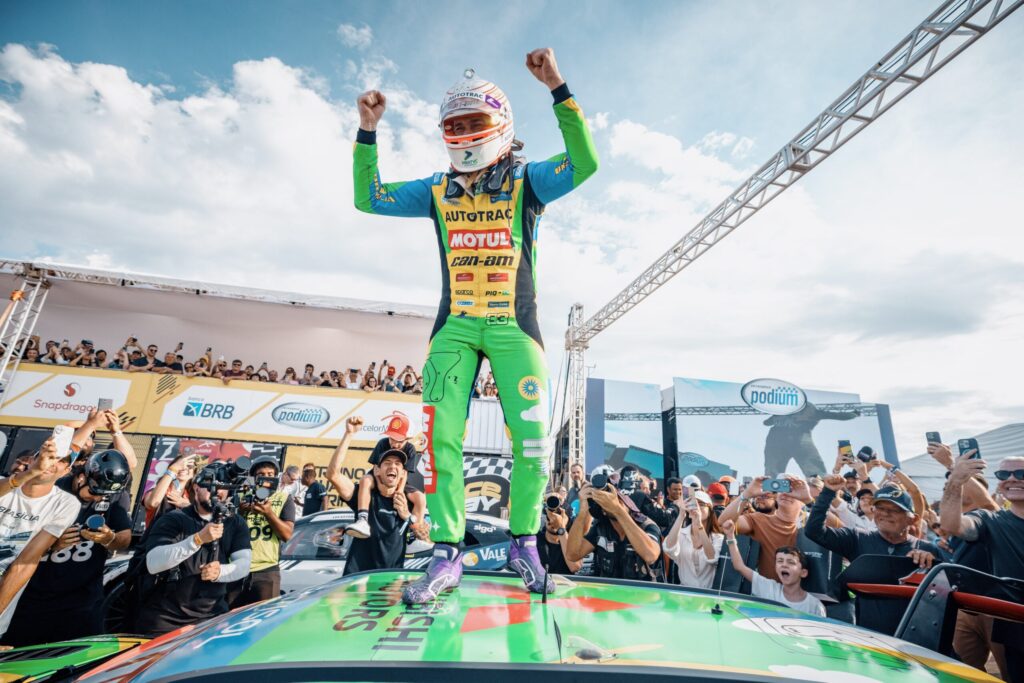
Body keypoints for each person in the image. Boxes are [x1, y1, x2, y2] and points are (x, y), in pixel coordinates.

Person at [354, 47, 598, 605]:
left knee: (534, 443)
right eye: (454, 125)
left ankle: (525, 545)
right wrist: (368, 132)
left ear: (501, 127)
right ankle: (446, 554)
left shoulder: (528, 182)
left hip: (516, 329)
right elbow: (367, 198)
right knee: (440, 442)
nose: (464, 134)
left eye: (474, 124)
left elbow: (584, 163)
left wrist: (558, 87)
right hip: (456, 329)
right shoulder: (437, 189)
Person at [4, 450, 132, 646]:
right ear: (81, 477)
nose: (99, 499)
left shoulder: (114, 496)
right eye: (93, 492)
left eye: (105, 496)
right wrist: (51, 545)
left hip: (82, 601)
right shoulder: (55, 491)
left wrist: (109, 537)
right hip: (33, 598)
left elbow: (125, 539)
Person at [806, 475, 941, 634]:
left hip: (916, 640)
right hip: (872, 640)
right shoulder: (858, 538)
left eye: (894, 510)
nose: (885, 514)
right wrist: (828, 492)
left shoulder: (927, 550)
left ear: (913, 519)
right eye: (880, 508)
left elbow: (950, 589)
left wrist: (934, 565)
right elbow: (814, 531)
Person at [135, 466, 251, 636]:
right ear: (196, 488)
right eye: (211, 486)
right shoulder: (174, 518)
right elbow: (153, 563)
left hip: (212, 615)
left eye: (224, 487)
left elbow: (244, 563)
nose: (218, 492)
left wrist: (221, 571)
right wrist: (197, 539)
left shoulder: (235, 522)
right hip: (166, 617)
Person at [940, 451, 1024, 680]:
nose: (1012, 478)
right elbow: (950, 524)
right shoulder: (991, 520)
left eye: (1021, 473)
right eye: (1004, 473)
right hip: (1013, 623)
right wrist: (955, 481)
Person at [0, 438, 80, 639]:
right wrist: (31, 473)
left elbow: (25, 562)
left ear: (66, 471)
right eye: (47, 457)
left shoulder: (66, 503)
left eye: (61, 460)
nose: (52, 462)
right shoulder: (6, 485)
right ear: (33, 460)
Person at [564, 475, 662, 581]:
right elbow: (572, 555)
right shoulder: (601, 529)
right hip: (608, 595)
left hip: (641, 594)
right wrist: (583, 512)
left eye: (619, 500)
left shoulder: (645, 524)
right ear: (603, 511)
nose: (614, 503)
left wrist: (617, 509)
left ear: (628, 503)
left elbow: (651, 556)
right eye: (608, 502)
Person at [722, 520, 826, 617]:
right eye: (780, 561)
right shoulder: (769, 588)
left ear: (803, 572)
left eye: (791, 562)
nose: (784, 565)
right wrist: (730, 536)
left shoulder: (815, 606)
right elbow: (739, 566)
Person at [230, 456, 296, 607]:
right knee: (229, 621)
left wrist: (269, 513)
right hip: (236, 567)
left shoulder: (284, 498)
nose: (266, 479)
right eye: (261, 475)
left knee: (265, 622)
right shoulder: (239, 496)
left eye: (270, 474)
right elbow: (225, 530)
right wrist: (240, 512)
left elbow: (286, 535)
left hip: (266, 570)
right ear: (253, 478)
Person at [346, 412, 421, 539]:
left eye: (399, 440)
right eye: (392, 438)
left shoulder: (410, 449)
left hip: (399, 480)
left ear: (408, 438)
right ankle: (363, 519)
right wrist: (383, 487)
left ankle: (413, 536)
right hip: (378, 476)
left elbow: (405, 473)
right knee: (365, 480)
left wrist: (399, 492)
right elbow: (376, 468)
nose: (394, 443)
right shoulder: (382, 443)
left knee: (420, 498)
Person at [762, 401, 859, 478]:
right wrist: (854, 414)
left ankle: (772, 487)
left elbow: (767, 422)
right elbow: (839, 416)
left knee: (773, 471)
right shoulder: (814, 412)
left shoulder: (785, 412)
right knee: (815, 471)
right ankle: (818, 484)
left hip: (777, 441)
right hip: (798, 441)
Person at [662, 490, 724, 589]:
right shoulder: (681, 533)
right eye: (694, 504)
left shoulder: (717, 538)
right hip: (685, 594)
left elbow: (712, 558)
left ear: (710, 510)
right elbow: (669, 549)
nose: (697, 507)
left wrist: (699, 524)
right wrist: (681, 516)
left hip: (709, 595)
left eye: (701, 504)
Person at [537, 501, 580, 575]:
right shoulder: (535, 539)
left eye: (559, 515)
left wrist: (561, 528)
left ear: (567, 520)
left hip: (566, 585)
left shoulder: (573, 540)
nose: (554, 519)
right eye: (550, 516)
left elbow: (575, 567)